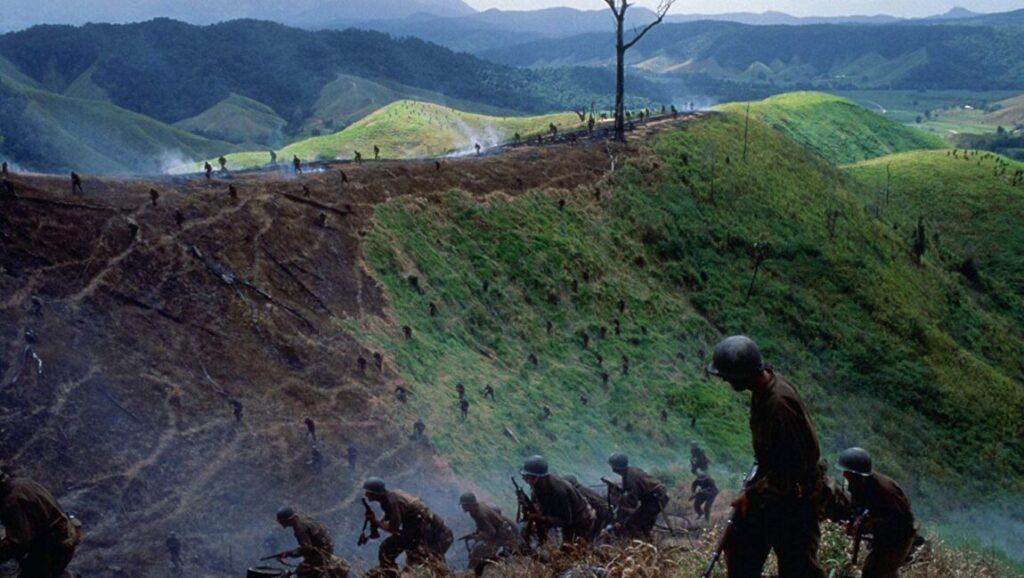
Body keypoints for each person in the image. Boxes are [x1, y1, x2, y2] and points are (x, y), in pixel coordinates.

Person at [706, 335, 826, 578]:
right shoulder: (763, 389)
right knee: (740, 548)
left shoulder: (779, 406)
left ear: (743, 374)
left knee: (798, 568)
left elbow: (789, 471)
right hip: (775, 489)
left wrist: (752, 494)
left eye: (728, 375)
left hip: (794, 499)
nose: (726, 380)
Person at [836, 448, 916, 578]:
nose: (846, 477)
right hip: (884, 535)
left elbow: (900, 520)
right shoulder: (861, 485)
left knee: (873, 571)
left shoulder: (885, 491)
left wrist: (869, 521)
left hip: (898, 538)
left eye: (849, 475)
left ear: (858, 476)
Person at [0, 467, 82, 578]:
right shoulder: (21, 483)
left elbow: (20, 541)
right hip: (61, 538)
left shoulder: (12, 501)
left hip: (54, 546)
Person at [362, 477, 452, 573]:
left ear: (376, 493)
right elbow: (391, 515)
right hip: (420, 524)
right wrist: (378, 522)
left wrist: (376, 522)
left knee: (387, 549)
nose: (366, 495)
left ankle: (390, 573)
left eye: (368, 492)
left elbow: (393, 528)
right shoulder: (392, 496)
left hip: (420, 526)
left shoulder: (392, 501)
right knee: (403, 551)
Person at [519, 456, 595, 544]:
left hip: (580, 521)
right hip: (566, 519)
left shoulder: (559, 491)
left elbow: (566, 520)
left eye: (528, 477)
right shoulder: (537, 486)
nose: (525, 479)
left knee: (573, 548)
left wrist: (542, 518)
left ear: (537, 477)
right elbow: (539, 505)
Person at [273, 507, 350, 578]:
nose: (282, 525)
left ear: (289, 520)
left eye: (282, 522)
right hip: (327, 547)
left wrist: (290, 553)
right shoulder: (305, 520)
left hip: (320, 553)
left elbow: (307, 549)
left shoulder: (300, 529)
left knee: (303, 573)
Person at [607, 453, 668, 539]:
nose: (612, 470)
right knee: (642, 523)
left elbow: (632, 503)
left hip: (655, 499)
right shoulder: (630, 471)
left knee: (633, 524)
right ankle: (647, 541)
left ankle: (641, 543)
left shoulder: (630, 478)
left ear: (616, 468)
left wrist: (618, 497)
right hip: (654, 497)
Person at [458, 492, 519, 576]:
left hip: (502, 533)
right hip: (499, 530)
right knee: (478, 550)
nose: (462, 507)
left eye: (464, 505)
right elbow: (482, 525)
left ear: (470, 505)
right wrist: (477, 533)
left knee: (479, 551)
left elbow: (491, 532)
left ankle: (471, 572)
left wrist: (478, 536)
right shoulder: (476, 509)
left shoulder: (481, 514)